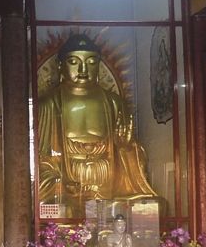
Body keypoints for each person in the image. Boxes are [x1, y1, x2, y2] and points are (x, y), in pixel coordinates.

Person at [37, 34, 156, 216]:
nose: (83, 69)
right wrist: (59, 184)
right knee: (63, 212)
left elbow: (131, 153)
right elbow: (41, 159)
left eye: (91, 62)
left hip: (110, 187)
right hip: (66, 191)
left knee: (149, 208)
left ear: (99, 66)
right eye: (74, 62)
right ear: (60, 66)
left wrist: (126, 148)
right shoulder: (49, 104)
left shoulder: (115, 103)